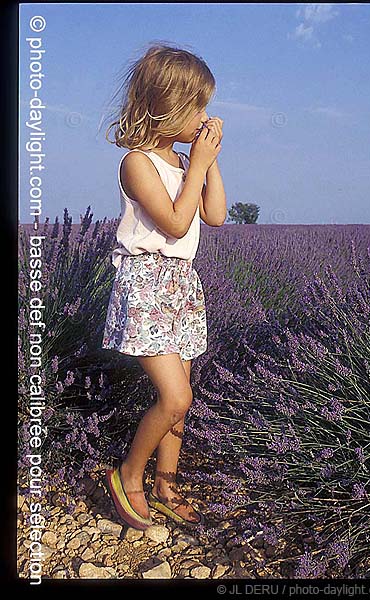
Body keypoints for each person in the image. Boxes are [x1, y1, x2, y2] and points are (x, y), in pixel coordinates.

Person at [101, 43, 226, 529]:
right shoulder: (137, 163)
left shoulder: (184, 161)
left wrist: (207, 161)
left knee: (184, 394)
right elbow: (176, 223)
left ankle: (165, 484)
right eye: (197, 106)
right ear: (166, 107)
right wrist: (196, 165)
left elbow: (213, 215)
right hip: (147, 283)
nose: (204, 117)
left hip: (180, 283)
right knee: (176, 398)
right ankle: (128, 476)